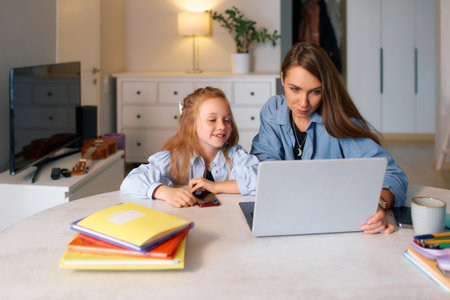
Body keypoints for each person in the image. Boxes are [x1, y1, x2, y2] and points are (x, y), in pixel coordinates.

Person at [251, 42, 408, 234]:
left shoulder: (338, 122)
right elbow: (262, 165)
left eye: (315, 91)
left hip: (331, 222)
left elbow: (394, 176)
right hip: (283, 215)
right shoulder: (272, 110)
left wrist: (379, 205)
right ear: (282, 79)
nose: (303, 103)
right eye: (295, 89)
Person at [120, 87, 259, 208]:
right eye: (212, 120)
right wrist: (164, 192)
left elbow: (261, 181)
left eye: (227, 120)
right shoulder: (175, 158)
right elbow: (130, 182)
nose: (222, 126)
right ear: (190, 124)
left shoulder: (236, 155)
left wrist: (215, 187)